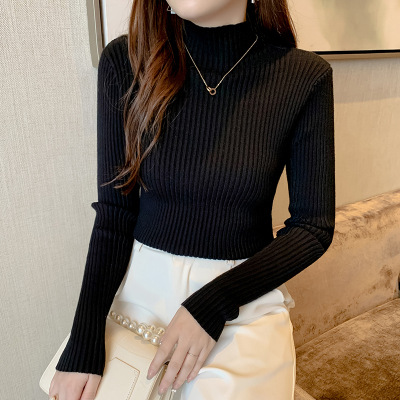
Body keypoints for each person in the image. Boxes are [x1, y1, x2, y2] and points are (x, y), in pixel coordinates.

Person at [49, 0, 335, 399]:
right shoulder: (126, 61)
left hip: (241, 304)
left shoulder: (304, 76)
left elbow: (312, 228)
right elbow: (114, 215)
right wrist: (83, 343)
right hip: (138, 298)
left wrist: (214, 303)